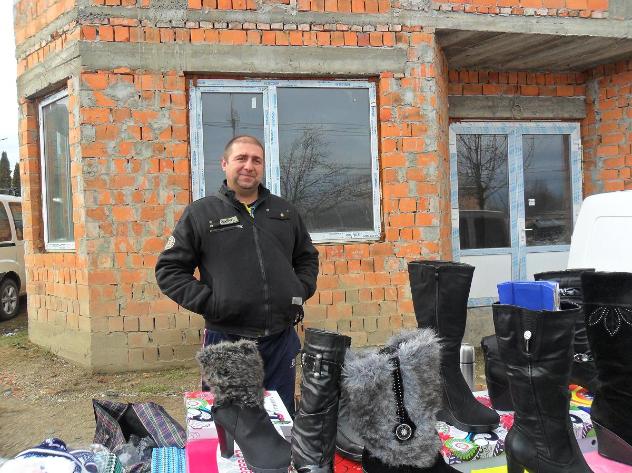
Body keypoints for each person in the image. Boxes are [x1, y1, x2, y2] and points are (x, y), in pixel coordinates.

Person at [155, 135, 319, 415]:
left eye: (256, 160)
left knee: (280, 419)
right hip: (227, 340)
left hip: (280, 338)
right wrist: (212, 303)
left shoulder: (285, 212)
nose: (249, 166)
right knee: (229, 420)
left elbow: (306, 258)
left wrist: (298, 290)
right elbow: (169, 270)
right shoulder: (201, 213)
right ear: (224, 164)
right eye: (241, 158)